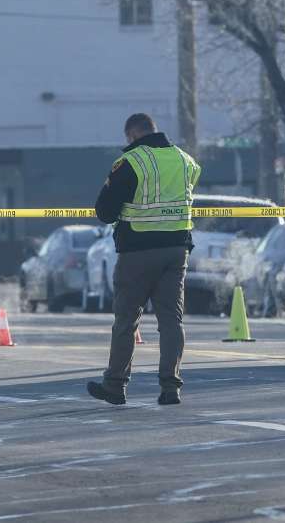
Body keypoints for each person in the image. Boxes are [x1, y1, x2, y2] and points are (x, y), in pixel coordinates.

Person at [87, 113, 200, 406]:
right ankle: (170, 388)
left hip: (137, 250)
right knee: (171, 320)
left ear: (132, 135)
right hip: (176, 250)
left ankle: (115, 385)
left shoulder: (131, 162)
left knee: (126, 320)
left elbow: (105, 212)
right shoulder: (185, 161)